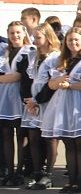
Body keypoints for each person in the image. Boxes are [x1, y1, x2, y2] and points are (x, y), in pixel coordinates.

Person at [41, 28, 81, 193]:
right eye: (70, 40)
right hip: (63, 104)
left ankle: (80, 182)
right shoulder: (61, 60)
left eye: (76, 40)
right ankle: (71, 181)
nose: (73, 43)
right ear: (65, 42)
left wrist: (71, 85)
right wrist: (59, 81)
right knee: (68, 143)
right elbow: (51, 85)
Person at [21, 22, 61, 190]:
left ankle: (49, 175)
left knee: (50, 138)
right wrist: (29, 100)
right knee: (34, 137)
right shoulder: (33, 56)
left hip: (48, 100)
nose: (35, 41)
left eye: (39, 37)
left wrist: (38, 99)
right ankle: (37, 172)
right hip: (34, 102)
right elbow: (27, 79)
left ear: (48, 37)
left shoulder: (55, 56)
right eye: (34, 37)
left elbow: (53, 84)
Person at [0, 21, 32, 186]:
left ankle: (19, 171)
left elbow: (19, 75)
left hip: (20, 97)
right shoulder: (5, 51)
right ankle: (9, 171)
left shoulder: (29, 51)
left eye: (18, 32)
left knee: (21, 136)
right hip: (4, 98)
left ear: (24, 33)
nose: (15, 36)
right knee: (5, 135)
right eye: (12, 33)